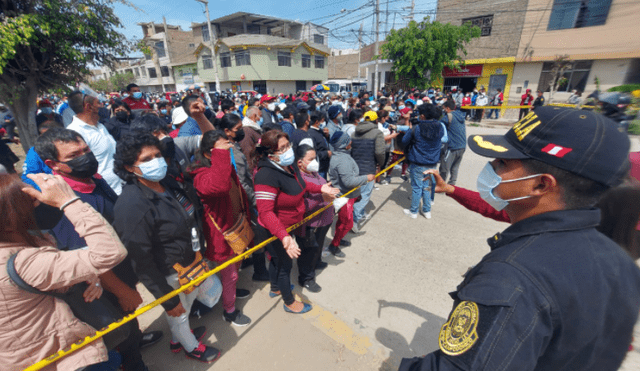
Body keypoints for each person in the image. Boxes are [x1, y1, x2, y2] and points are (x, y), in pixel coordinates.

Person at [399, 107, 640, 371]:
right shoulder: (620, 262)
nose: (490, 167)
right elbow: (495, 208)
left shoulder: (511, 276)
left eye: (502, 162)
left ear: (540, 185)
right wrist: (452, 189)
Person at [34, 128, 159, 370]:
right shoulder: (61, 202)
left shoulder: (94, 180)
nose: (85, 157)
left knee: (129, 326)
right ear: (53, 164)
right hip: (105, 285)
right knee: (118, 332)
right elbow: (90, 259)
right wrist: (123, 291)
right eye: (75, 155)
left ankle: (135, 342)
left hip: (123, 270)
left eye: (86, 150)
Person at [112, 133, 222, 363]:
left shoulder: (166, 184)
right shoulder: (132, 204)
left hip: (190, 262)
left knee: (188, 305)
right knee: (178, 312)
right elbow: (139, 259)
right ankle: (191, 347)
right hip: (170, 272)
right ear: (129, 167)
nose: (156, 161)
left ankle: (178, 338)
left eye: (158, 155)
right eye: (147, 159)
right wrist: (166, 298)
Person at [0, 173, 127, 371]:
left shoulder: (17, 245)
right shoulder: (23, 262)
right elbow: (109, 253)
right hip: (62, 360)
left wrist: (84, 275)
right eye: (33, 200)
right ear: (12, 217)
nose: (42, 201)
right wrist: (68, 201)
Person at [253, 130, 338, 313]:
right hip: (274, 229)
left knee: (277, 261)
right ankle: (290, 302)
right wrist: (284, 237)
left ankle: (275, 288)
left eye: (287, 145)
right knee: (285, 265)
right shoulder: (265, 176)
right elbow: (266, 212)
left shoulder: (289, 166)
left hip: (287, 225)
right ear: (271, 155)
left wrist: (320, 187)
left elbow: (302, 183)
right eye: (282, 148)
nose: (287, 150)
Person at [189, 130, 253, 327]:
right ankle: (229, 311)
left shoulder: (222, 168)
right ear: (209, 154)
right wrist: (221, 154)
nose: (229, 150)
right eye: (224, 149)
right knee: (230, 274)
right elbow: (220, 187)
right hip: (222, 234)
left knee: (236, 268)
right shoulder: (201, 176)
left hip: (236, 227)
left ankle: (230, 291)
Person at [294, 144, 334, 292]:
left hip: (323, 220)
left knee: (318, 245)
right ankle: (306, 278)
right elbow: (302, 206)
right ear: (300, 162)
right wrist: (323, 197)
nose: (315, 162)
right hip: (309, 224)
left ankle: (316, 262)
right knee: (308, 250)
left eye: (315, 158)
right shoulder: (298, 180)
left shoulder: (313, 173)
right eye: (310, 159)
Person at [66, 91, 122, 195]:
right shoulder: (75, 133)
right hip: (106, 192)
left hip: (121, 185)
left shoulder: (100, 126)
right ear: (89, 107)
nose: (102, 106)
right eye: (98, 103)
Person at [328, 131, 374, 255]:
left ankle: (339, 238)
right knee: (347, 223)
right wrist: (366, 178)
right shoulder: (342, 160)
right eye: (348, 141)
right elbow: (349, 181)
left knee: (342, 221)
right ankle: (334, 245)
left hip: (348, 195)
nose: (351, 142)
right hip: (345, 196)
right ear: (344, 144)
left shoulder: (340, 155)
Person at [401, 104, 443, 219]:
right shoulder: (439, 127)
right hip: (433, 163)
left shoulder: (417, 128)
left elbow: (404, 141)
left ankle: (413, 211)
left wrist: (411, 128)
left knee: (416, 187)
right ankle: (427, 211)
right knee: (426, 187)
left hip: (418, 163)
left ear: (423, 116)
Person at [351, 109, 386, 227]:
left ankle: (360, 214)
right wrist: (380, 164)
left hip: (355, 168)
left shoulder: (354, 132)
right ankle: (354, 220)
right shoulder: (377, 133)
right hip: (368, 167)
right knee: (365, 194)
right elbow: (380, 152)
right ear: (376, 120)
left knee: (357, 193)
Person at [439, 100, 466, 185]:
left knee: (444, 167)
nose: (443, 110)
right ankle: (452, 184)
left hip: (452, 146)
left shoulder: (448, 117)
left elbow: (439, 124)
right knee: (455, 167)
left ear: (447, 108)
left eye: (443, 109)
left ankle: (441, 184)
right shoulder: (460, 115)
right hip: (462, 146)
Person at [307, 110, 332, 178]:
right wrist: (326, 153)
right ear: (317, 122)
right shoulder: (311, 134)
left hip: (325, 165)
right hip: (319, 168)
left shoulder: (320, 131)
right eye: (322, 120)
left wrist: (327, 136)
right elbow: (314, 153)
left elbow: (324, 143)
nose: (323, 122)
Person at [239, 106, 263, 173]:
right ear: (254, 116)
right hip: (253, 167)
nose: (261, 117)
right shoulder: (246, 130)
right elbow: (247, 151)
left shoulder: (253, 128)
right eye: (260, 115)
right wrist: (250, 171)